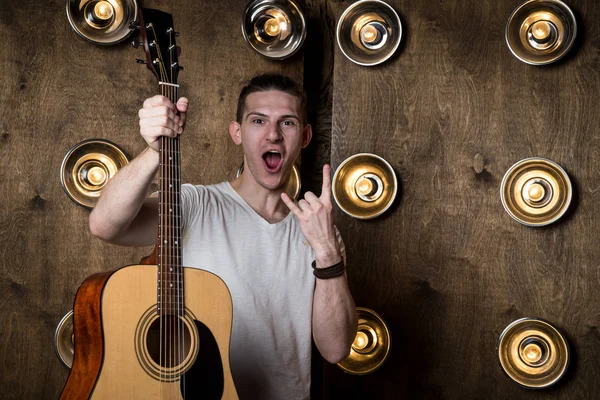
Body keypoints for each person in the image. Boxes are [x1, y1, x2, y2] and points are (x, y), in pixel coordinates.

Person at [89, 73, 357, 399]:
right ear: (237, 132)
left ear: (304, 135)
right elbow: (105, 225)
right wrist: (155, 151)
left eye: (287, 123)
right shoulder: (194, 203)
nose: (272, 134)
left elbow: (336, 349)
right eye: (258, 121)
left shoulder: (319, 230)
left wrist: (327, 251)